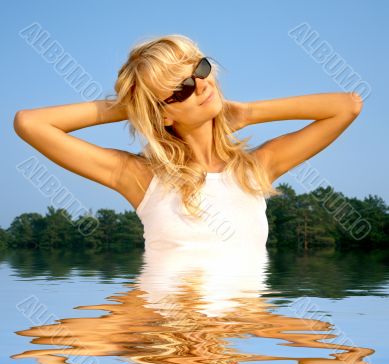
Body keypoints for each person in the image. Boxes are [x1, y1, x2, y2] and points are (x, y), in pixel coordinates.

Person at [13, 34, 363, 253]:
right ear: (162, 115)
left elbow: (347, 106)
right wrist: (135, 105)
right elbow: (30, 123)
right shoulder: (140, 177)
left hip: (235, 329)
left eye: (201, 68)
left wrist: (250, 112)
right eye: (180, 89)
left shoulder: (255, 170)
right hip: (163, 327)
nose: (201, 85)